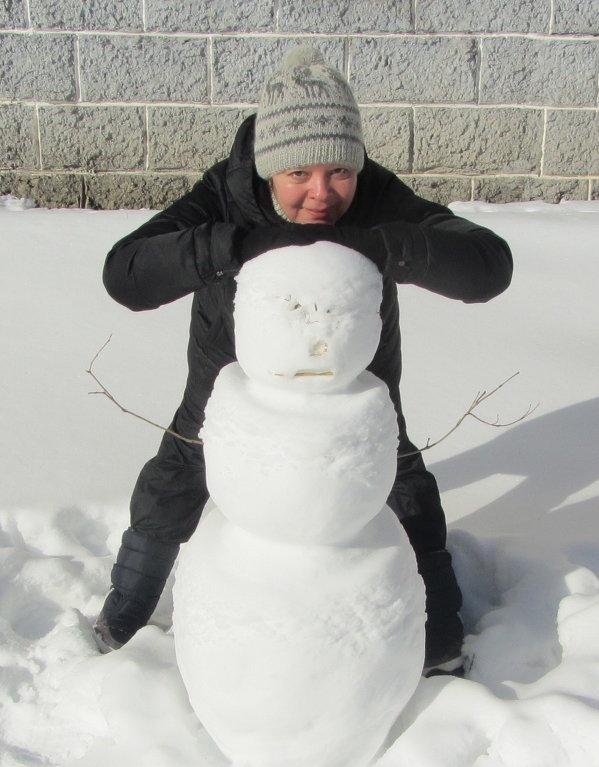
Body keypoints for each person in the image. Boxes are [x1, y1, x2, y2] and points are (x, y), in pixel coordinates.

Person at [94, 46, 512, 675]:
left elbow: (487, 266)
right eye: (299, 175)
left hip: (361, 398)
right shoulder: (225, 194)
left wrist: (376, 245)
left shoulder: (372, 197)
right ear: (268, 169)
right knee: (174, 481)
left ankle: (439, 638)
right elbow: (125, 273)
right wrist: (235, 245)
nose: (323, 194)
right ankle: (123, 615)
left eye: (340, 173)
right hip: (226, 395)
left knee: (406, 490)